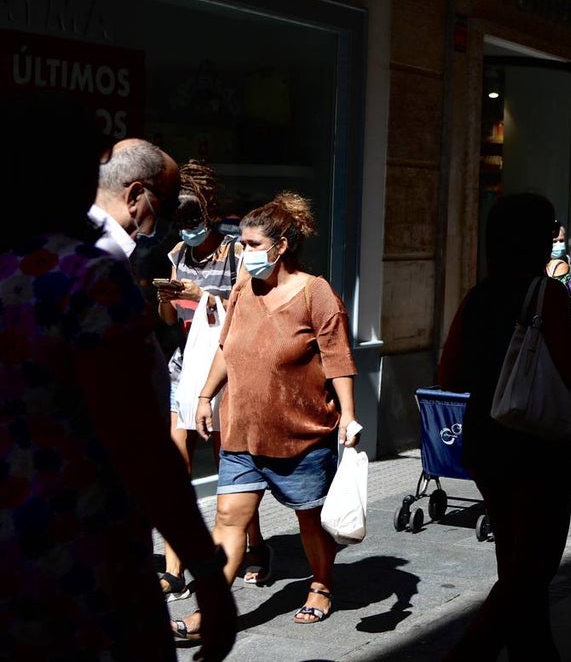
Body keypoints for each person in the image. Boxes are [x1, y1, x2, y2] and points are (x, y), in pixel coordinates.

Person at [0, 94, 236, 662]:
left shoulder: (11, 266)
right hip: (81, 557)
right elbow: (137, 442)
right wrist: (204, 566)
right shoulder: (88, 279)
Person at [173, 191, 360, 639]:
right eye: (243, 244)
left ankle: (320, 584)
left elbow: (338, 359)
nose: (245, 252)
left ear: (281, 247)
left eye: (253, 245)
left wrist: (349, 418)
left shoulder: (317, 293)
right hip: (242, 430)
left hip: (301, 433)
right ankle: (212, 611)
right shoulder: (242, 287)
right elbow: (226, 346)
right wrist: (204, 396)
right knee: (228, 521)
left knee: (309, 520)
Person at [438, 193, 571, 661]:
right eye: (553, 228)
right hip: (540, 446)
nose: (558, 236)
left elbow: (448, 373)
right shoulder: (549, 295)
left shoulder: (479, 294)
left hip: (487, 440)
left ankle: (535, 650)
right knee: (535, 565)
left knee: (514, 558)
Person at [153, 160, 267, 601]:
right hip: (185, 363)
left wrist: (206, 298)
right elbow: (168, 319)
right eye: (179, 223)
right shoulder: (178, 255)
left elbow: (248, 309)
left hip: (226, 364)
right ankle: (174, 565)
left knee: (229, 461)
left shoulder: (239, 253)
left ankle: (254, 546)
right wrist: (168, 298)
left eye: (192, 221)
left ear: (208, 213)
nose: (186, 231)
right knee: (174, 463)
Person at [88, 137, 181, 264]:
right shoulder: (103, 265)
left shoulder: (60, 241)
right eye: (168, 205)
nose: (169, 221)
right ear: (135, 196)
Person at [546, 221, 571, 306]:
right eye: (554, 241)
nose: (558, 244)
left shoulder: (567, 260)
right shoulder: (539, 264)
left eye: (561, 241)